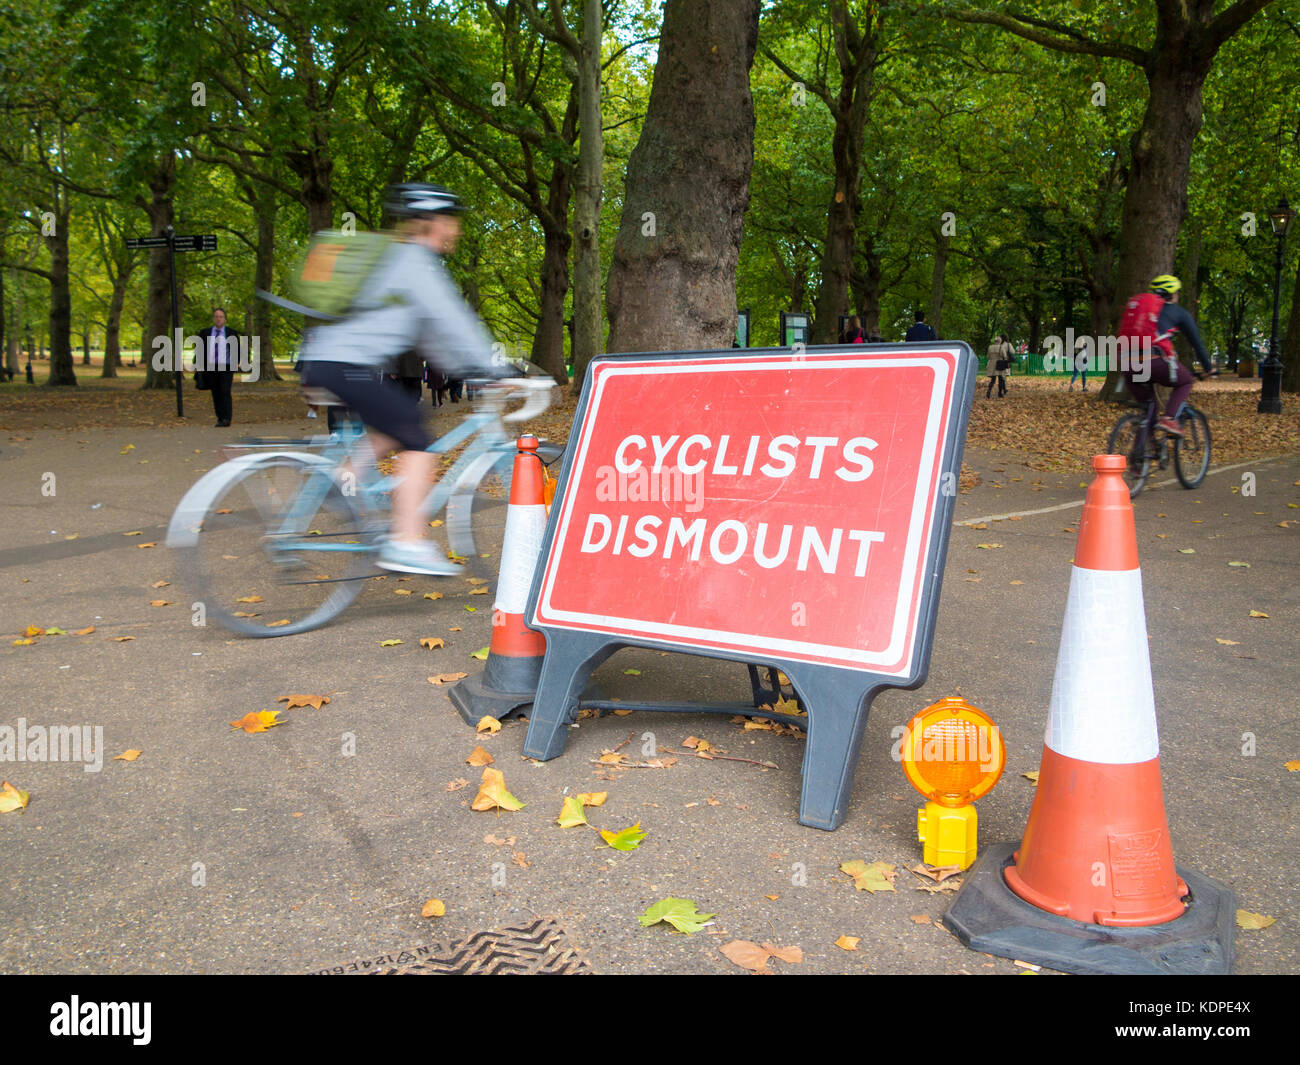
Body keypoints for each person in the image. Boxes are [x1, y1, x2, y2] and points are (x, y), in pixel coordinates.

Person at [296, 182, 504, 575]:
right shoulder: (415, 262)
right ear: (430, 222)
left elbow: (431, 336)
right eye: (451, 220)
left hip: (326, 360)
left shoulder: (393, 258)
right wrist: (491, 368)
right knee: (417, 437)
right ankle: (407, 542)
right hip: (346, 364)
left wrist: (467, 369)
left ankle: (340, 482)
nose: (456, 229)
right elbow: (453, 321)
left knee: (400, 415)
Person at [1120, 275, 1217, 438]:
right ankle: (1169, 418)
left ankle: (1139, 457)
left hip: (1127, 364)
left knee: (1149, 410)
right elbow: (1197, 343)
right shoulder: (1177, 312)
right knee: (1185, 380)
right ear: (1172, 294)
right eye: (1177, 292)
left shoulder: (1141, 311)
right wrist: (1209, 368)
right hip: (1154, 362)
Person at [197, 307, 236, 426]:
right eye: (216, 317)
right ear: (213, 319)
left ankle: (227, 418)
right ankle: (219, 417)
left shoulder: (231, 333)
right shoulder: (205, 333)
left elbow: (239, 349)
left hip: (226, 366)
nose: (219, 319)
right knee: (215, 393)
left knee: (225, 391)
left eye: (221, 317)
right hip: (211, 367)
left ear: (225, 319)